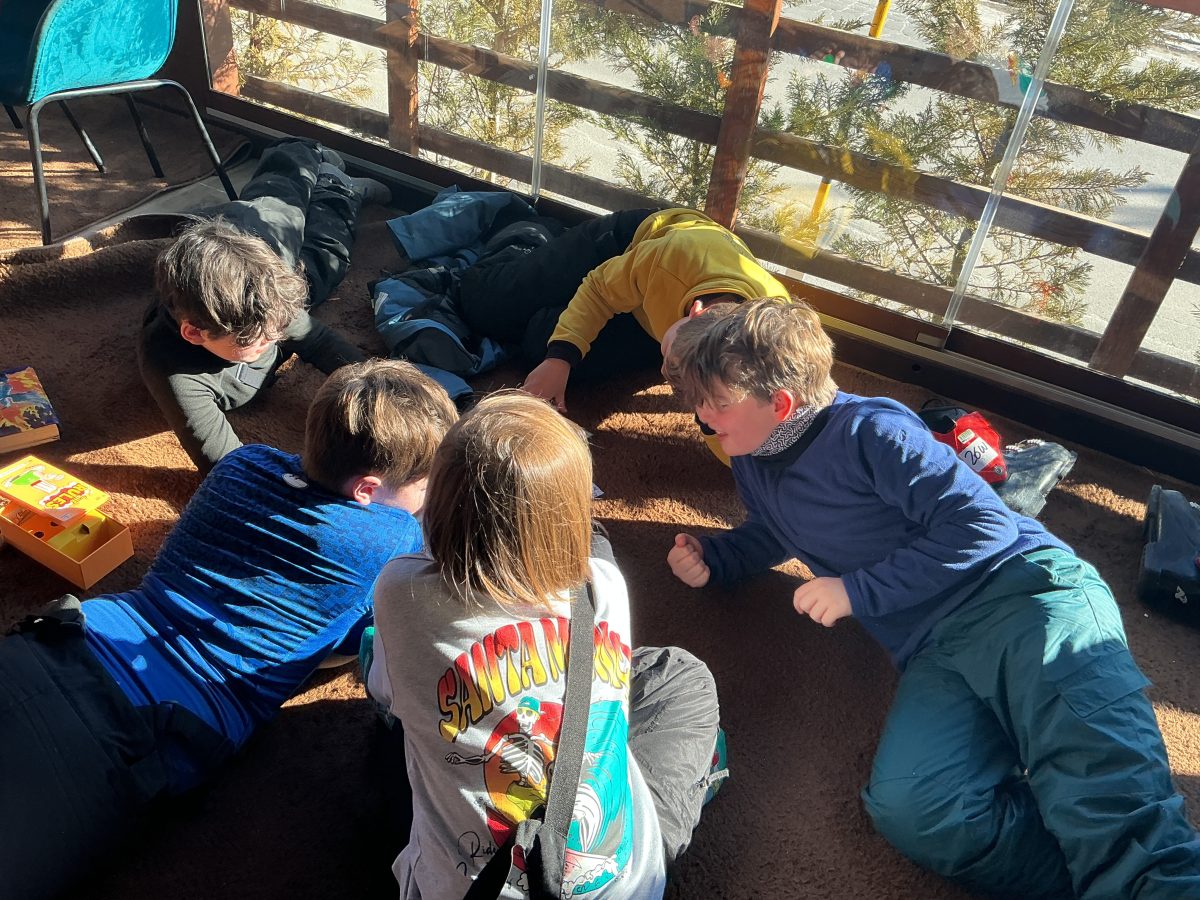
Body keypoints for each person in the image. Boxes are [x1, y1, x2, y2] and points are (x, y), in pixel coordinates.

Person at [663, 298, 1200, 899]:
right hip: (933, 650)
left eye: (715, 401)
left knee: (1106, 794)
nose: (701, 415)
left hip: (1023, 597)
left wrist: (856, 590)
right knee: (918, 811)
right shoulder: (753, 456)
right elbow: (775, 528)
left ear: (781, 404)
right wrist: (718, 558)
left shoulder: (872, 431)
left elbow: (983, 525)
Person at [0, 359, 459, 900]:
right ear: (366, 489)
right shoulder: (392, 538)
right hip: (145, 731)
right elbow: (359, 642)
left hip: (66, 639)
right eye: (425, 487)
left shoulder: (244, 461)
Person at [366, 392, 726, 899]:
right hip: (624, 886)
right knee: (679, 674)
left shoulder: (399, 591)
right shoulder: (603, 582)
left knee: (393, 710)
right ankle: (684, 789)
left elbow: (386, 695)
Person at [139, 137, 391, 473]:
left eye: (278, 329)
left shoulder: (267, 306)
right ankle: (339, 188)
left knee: (282, 197)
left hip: (261, 239)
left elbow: (317, 340)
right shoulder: (173, 370)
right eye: (259, 340)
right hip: (240, 269)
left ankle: (301, 148)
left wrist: (383, 390)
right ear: (195, 333)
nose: (275, 338)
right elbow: (227, 467)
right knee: (329, 257)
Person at [453, 207, 792, 417]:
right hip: (625, 248)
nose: (664, 371)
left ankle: (554, 302)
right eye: (670, 357)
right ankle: (531, 235)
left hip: (648, 320)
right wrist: (561, 356)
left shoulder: (775, 336)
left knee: (538, 343)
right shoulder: (673, 257)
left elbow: (744, 428)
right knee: (481, 303)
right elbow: (599, 290)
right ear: (696, 312)